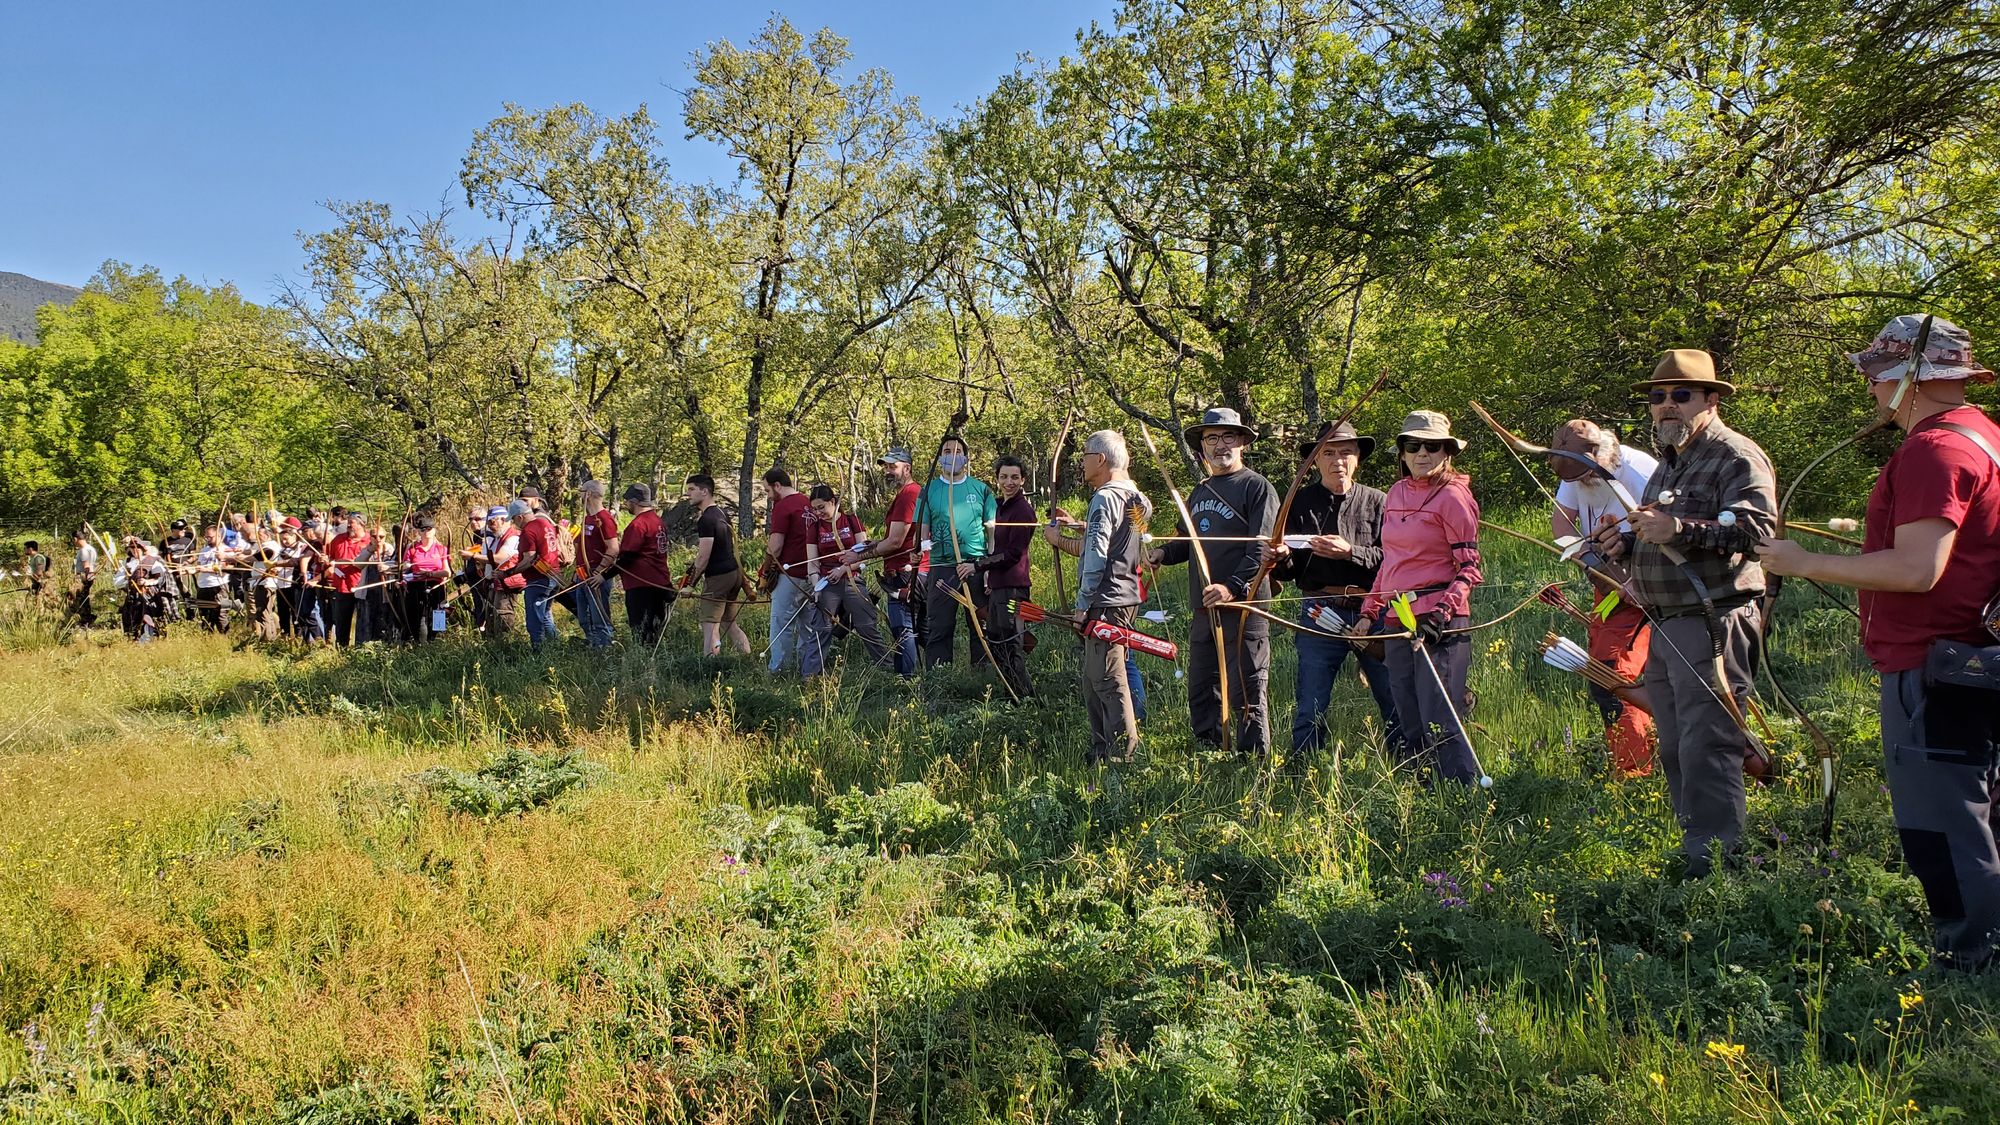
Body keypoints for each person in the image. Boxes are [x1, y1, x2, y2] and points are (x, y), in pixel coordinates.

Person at [1757, 314, 2000, 969]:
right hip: (1974, 662)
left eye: (1875, 374)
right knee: (1977, 813)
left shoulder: (1934, 449)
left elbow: (1917, 569)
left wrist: (1802, 562)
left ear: (1908, 376)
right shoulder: (1983, 436)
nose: (1870, 388)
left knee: (1942, 826)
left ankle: (1968, 961)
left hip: (1938, 668)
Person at [1598, 350, 1776, 876]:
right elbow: (1660, 536)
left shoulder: (1735, 456)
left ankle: (1717, 863)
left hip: (1712, 619)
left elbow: (1757, 533)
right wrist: (1626, 544)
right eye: (1658, 397)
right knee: (1677, 743)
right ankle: (1697, 848)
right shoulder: (1671, 462)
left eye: (1682, 394)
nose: (1666, 405)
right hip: (1666, 621)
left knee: (1708, 743)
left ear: (1711, 399)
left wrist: (1677, 529)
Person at [1357, 411, 1485, 784]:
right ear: (1402, 452)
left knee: (1439, 716)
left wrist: (1441, 614)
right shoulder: (1396, 493)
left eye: (1432, 446)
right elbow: (1390, 562)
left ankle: (1461, 796)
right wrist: (1369, 611)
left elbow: (1470, 567)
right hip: (1397, 618)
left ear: (1448, 452)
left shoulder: (1454, 496)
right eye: (1413, 446)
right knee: (1409, 715)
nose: (1422, 454)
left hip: (1438, 621)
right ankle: (1424, 796)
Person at [1148, 407, 1278, 756]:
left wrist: (1230, 587)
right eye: (1212, 438)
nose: (1220, 445)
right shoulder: (1200, 491)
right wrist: (1163, 553)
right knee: (1203, 689)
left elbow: (1261, 549)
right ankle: (1210, 756)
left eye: (1228, 437)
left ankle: (1252, 763)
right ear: (1202, 447)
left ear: (1242, 443)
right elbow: (1187, 541)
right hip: (1204, 609)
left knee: (1246, 690)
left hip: (1244, 608)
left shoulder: (1257, 487)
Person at [1271, 420, 1401, 761]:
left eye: (1345, 452)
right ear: (1315, 460)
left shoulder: (1381, 502)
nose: (1337, 461)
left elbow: (1395, 560)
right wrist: (1280, 557)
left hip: (1374, 613)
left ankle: (1409, 768)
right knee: (1310, 701)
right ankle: (1303, 771)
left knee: (1394, 696)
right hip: (1320, 610)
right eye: (1328, 453)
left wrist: (1350, 552)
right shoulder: (1297, 503)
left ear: (1357, 457)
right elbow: (1288, 571)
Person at [1551, 417, 1661, 777]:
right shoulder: (1574, 471)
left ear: (1602, 452)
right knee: (1605, 674)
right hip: (1608, 581)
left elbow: (1668, 537)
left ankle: (1636, 773)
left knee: (1617, 675)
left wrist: (1636, 579)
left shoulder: (1639, 472)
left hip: (1654, 586)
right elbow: (1561, 525)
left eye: (1587, 472)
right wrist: (1592, 563)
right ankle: (1633, 766)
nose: (1582, 482)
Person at [1068, 430, 1153, 764]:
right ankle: (1101, 749)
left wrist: (1082, 604)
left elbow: (1097, 556)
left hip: (1107, 600)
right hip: (1124, 596)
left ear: (1100, 459)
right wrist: (1086, 527)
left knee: (1108, 678)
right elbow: (1124, 538)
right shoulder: (1136, 497)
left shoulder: (1105, 498)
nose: (1082, 462)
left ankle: (1121, 756)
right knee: (1095, 676)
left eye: (1086, 455)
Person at [918, 435, 997, 668]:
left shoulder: (982, 490)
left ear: (965, 458)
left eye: (957, 451)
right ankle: (939, 676)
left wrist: (988, 567)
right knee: (939, 625)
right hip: (942, 567)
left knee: (980, 624)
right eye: (947, 451)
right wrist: (920, 552)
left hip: (975, 565)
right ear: (939, 457)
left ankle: (983, 675)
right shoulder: (928, 491)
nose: (952, 456)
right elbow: (923, 533)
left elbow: (992, 533)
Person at [844, 449, 923, 675]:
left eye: (893, 467)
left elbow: (896, 542)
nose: (888, 471)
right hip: (904, 570)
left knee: (903, 629)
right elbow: (900, 537)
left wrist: (858, 557)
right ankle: (921, 676)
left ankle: (907, 680)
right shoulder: (908, 493)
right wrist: (874, 543)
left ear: (907, 468)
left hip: (904, 573)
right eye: (886, 467)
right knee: (913, 629)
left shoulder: (909, 494)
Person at [800, 484, 890, 676]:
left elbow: (863, 553)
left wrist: (843, 569)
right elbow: (812, 564)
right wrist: (817, 587)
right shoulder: (814, 528)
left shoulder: (851, 520)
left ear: (833, 502)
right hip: (827, 583)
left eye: (821, 507)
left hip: (852, 579)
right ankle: (810, 677)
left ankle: (889, 670)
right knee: (821, 629)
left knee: (867, 626)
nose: (818, 513)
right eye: (814, 509)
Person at [980, 455, 1036, 697]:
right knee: (997, 641)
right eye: (1003, 477)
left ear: (1023, 480)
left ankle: (1025, 699)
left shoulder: (1023, 511)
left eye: (1014, 477)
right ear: (997, 479)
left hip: (1014, 588)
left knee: (1011, 643)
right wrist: (988, 573)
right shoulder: (1000, 507)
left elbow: (1013, 554)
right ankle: (1011, 695)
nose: (1009, 482)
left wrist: (978, 566)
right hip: (999, 586)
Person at [596, 484, 675, 645]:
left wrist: (604, 576)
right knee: (654, 629)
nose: (626, 504)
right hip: (660, 581)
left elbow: (627, 557)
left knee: (641, 630)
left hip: (641, 585)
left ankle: (644, 658)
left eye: (627, 501)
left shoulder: (638, 525)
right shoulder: (658, 521)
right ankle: (653, 657)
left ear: (635, 501)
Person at [687, 474, 750, 656]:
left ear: (704, 491)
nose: (688, 493)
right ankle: (747, 658)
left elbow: (703, 557)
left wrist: (690, 584)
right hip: (734, 573)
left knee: (710, 624)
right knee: (728, 623)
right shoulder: (722, 513)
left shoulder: (707, 519)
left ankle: (710, 665)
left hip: (718, 577)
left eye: (692, 489)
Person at [499, 488, 565, 649]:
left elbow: (529, 559)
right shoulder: (545, 523)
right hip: (554, 576)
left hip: (538, 579)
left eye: (513, 519)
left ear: (520, 517)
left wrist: (508, 573)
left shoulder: (528, 530)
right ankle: (556, 647)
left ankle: (538, 650)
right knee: (545, 615)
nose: (514, 523)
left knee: (534, 620)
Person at [763, 468, 812, 671]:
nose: (768, 496)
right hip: (812, 574)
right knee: (808, 625)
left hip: (790, 574)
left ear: (777, 485)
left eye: (767, 490)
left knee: (781, 623)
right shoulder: (807, 501)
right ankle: (807, 668)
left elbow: (775, 546)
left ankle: (779, 669)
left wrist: (765, 570)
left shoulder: (783, 506)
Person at [570, 480, 619, 646]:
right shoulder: (588, 519)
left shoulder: (605, 519)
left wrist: (599, 572)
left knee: (599, 616)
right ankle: (593, 645)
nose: (580, 495)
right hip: (582, 574)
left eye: (582, 492)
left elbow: (613, 548)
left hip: (595, 576)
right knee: (584, 618)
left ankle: (604, 648)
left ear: (589, 494)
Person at [324, 512, 376, 646]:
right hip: (342, 587)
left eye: (351, 523)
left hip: (363, 587)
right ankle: (342, 649)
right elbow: (330, 558)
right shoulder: (338, 539)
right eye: (348, 523)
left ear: (361, 525)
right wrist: (325, 560)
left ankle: (362, 648)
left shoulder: (371, 541)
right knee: (342, 623)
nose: (348, 525)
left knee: (364, 621)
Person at [401, 517, 452, 643]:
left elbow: (447, 572)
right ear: (419, 532)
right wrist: (405, 567)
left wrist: (430, 573)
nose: (426, 532)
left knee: (439, 615)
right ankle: (421, 646)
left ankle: (437, 644)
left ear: (434, 530)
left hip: (436, 586)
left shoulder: (441, 549)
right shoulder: (412, 548)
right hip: (416, 587)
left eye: (429, 529)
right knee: (419, 618)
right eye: (423, 529)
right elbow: (404, 568)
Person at [482, 505, 527, 641]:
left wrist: (473, 556)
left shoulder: (513, 537)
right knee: (491, 617)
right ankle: (493, 646)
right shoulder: (498, 537)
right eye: (488, 523)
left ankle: (505, 647)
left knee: (503, 617)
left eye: (492, 522)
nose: (490, 526)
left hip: (507, 584)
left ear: (502, 520)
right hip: (496, 583)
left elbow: (500, 558)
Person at [113, 539, 171, 641]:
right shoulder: (127, 563)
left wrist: (146, 582)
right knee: (131, 620)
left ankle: (151, 639)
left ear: (142, 549)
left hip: (148, 596)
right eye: (132, 548)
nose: (135, 550)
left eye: (138, 548)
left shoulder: (151, 561)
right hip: (132, 597)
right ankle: (134, 641)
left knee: (148, 618)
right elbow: (117, 582)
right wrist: (129, 580)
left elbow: (160, 578)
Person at [191, 525, 236, 632]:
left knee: (220, 613)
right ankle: (207, 637)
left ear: (219, 536)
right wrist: (189, 570)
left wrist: (205, 569)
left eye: (210, 537)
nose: (207, 539)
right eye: (206, 537)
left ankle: (224, 635)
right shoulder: (204, 550)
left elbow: (226, 569)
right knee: (204, 614)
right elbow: (199, 566)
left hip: (218, 585)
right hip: (203, 585)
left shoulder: (226, 550)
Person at [68, 529, 99, 627]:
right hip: (89, 577)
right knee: (84, 599)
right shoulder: (91, 549)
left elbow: (86, 566)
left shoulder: (83, 551)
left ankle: (85, 621)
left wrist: (84, 579)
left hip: (83, 577)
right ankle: (87, 619)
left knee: (79, 600)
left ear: (75, 539)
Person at [22, 541, 50, 607]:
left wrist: (29, 573)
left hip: (40, 584)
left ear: (30, 549)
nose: (24, 550)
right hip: (35, 584)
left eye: (25, 548)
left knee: (40, 604)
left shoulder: (38, 558)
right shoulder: (31, 558)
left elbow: (39, 574)